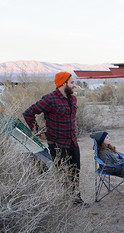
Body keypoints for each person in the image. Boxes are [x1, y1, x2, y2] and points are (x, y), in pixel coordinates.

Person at [23, 72, 88, 206]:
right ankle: (63, 202)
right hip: (57, 143)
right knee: (62, 173)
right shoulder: (50, 99)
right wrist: (36, 130)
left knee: (75, 171)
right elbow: (29, 113)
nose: (74, 85)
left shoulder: (72, 99)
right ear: (63, 83)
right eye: (71, 82)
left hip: (72, 141)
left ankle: (75, 199)